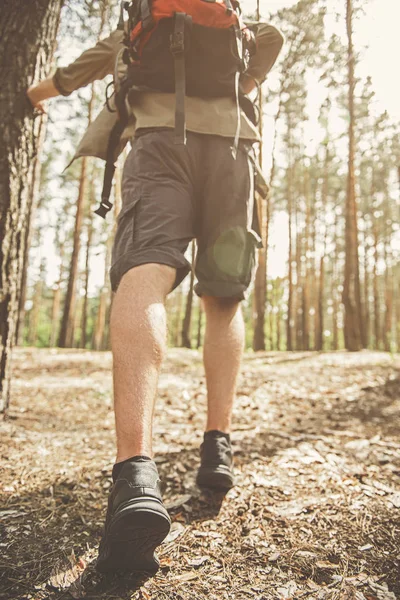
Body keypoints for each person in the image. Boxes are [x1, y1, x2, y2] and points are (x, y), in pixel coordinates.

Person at [27, 5, 284, 575]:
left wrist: (36, 93)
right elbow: (272, 36)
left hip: (159, 146)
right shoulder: (233, 22)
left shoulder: (140, 24)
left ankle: (136, 476)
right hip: (233, 155)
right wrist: (243, 83)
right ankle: (217, 445)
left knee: (145, 272)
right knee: (224, 298)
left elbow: (80, 69)